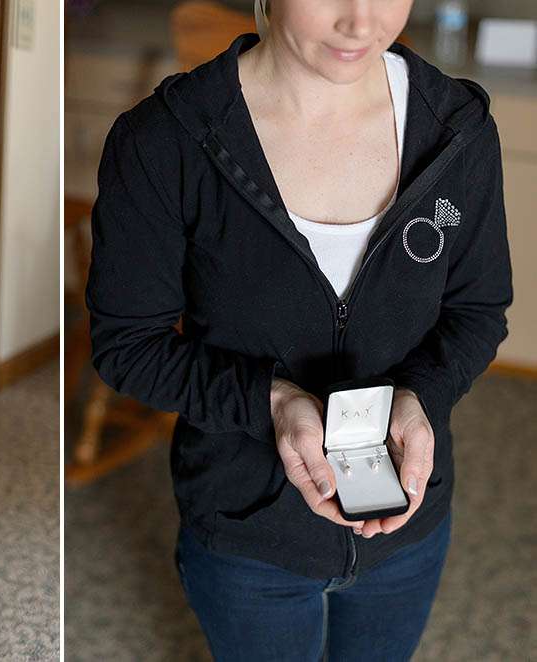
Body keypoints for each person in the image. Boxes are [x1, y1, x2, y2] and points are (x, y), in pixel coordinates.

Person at [86, 0, 511, 659]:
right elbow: (129, 346)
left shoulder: (456, 126)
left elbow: (477, 311)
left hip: (408, 524)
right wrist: (273, 400)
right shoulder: (164, 139)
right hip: (245, 533)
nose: (361, 24)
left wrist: (420, 395)